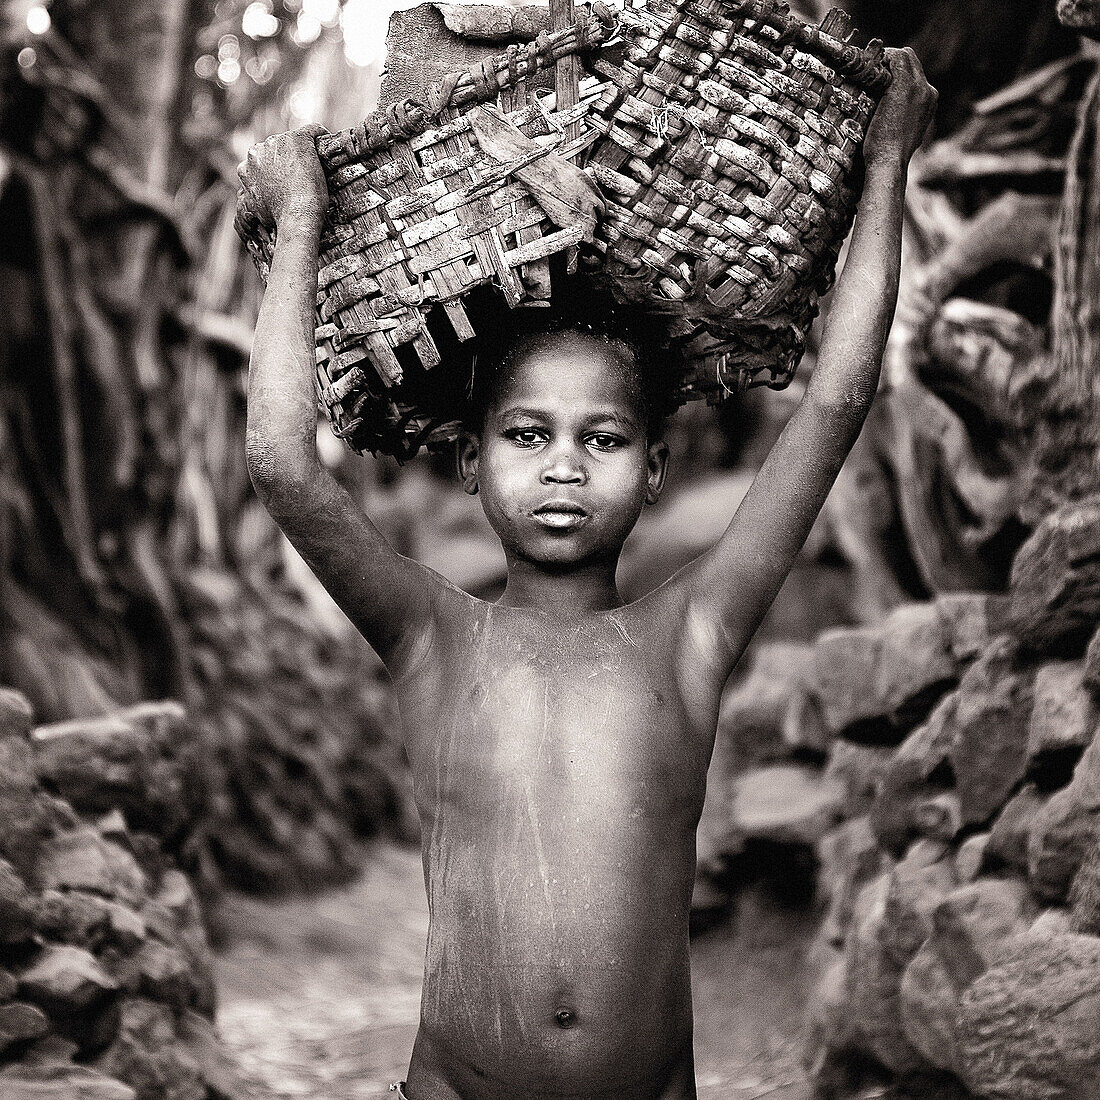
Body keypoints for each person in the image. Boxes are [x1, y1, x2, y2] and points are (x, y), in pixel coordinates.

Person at [238, 47, 936, 1100]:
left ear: (652, 467)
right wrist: (299, 221)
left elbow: (834, 403)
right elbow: (282, 465)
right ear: (469, 459)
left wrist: (883, 169)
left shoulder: (691, 633)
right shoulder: (429, 636)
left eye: (601, 437)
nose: (563, 463)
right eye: (526, 433)